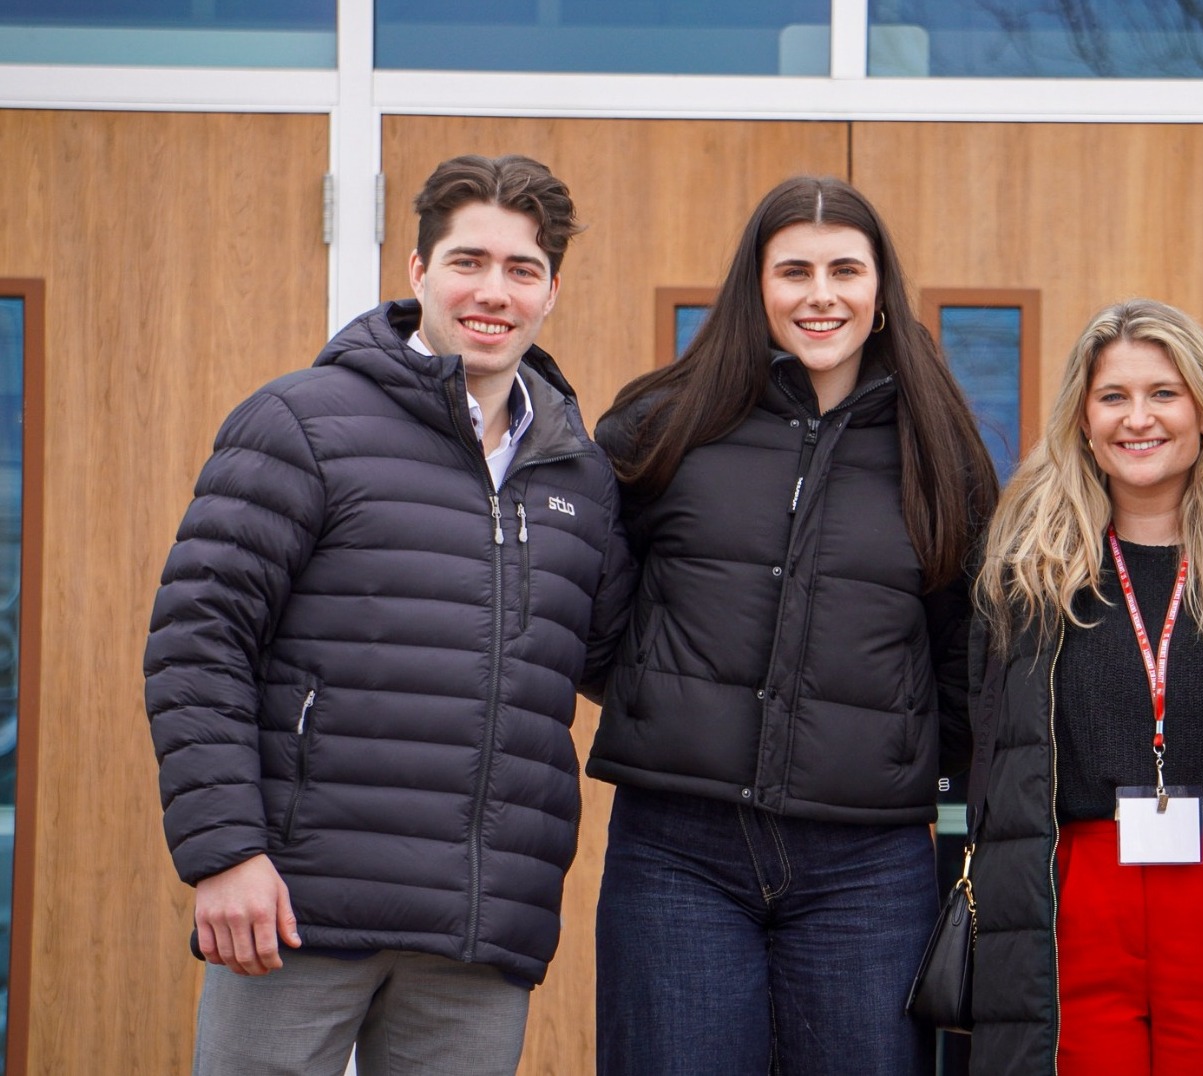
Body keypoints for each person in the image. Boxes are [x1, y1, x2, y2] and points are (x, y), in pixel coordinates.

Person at [144, 154, 632, 1074]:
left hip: (480, 931)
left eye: (522, 270)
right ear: (417, 273)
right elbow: (197, 641)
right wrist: (225, 853)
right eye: (467, 261)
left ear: (552, 291)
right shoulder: (303, 423)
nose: (494, 292)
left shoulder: (581, 475)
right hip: (293, 908)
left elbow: (619, 659)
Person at [588, 175, 999, 1075]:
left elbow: (968, 648)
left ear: (881, 290)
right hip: (676, 851)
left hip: (867, 860)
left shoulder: (938, 445)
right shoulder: (665, 422)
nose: (822, 294)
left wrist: (907, 757)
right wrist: (662, 700)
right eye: (795, 271)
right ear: (756, 287)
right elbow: (589, 600)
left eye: (846, 269)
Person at [965, 299, 1203, 1074]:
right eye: (1113, 396)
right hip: (1074, 890)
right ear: (1083, 421)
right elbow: (981, 745)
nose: (1137, 418)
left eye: (1164, 392)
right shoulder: (1027, 570)